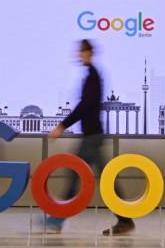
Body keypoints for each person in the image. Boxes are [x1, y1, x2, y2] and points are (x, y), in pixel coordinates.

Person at [46, 39, 135, 235]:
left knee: (82, 176)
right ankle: (125, 219)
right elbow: (85, 106)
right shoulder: (92, 75)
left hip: (92, 137)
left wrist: (62, 126)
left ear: (89, 52)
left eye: (82, 52)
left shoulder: (93, 76)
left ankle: (57, 220)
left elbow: (85, 106)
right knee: (101, 179)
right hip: (92, 135)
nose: (79, 55)